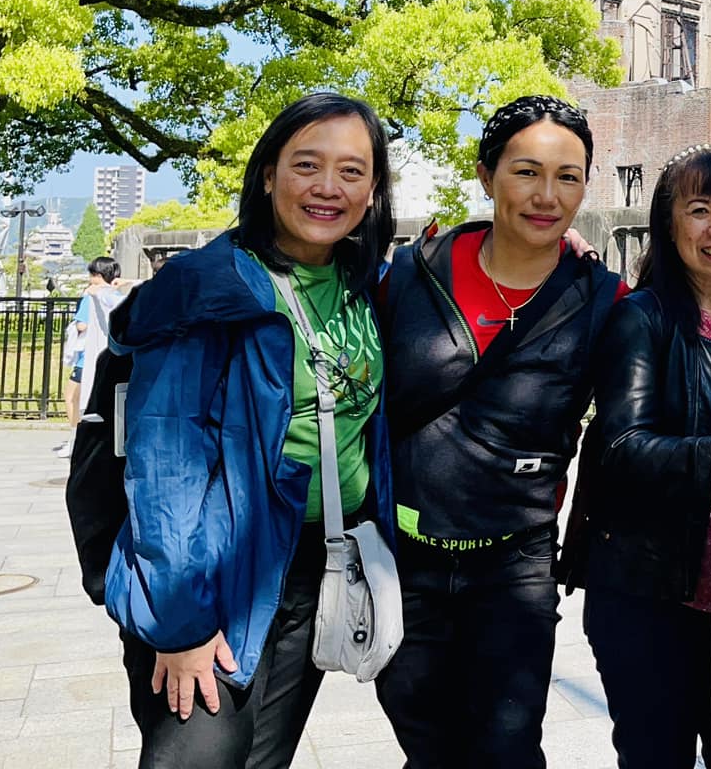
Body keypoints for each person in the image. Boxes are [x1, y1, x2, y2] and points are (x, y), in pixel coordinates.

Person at [105, 93, 397, 769]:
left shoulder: (361, 282)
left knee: (265, 758)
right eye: (307, 165)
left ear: (374, 188)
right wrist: (179, 623)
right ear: (268, 174)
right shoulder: (209, 285)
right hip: (213, 570)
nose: (329, 188)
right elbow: (165, 457)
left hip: (313, 564)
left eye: (353, 171)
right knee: (201, 757)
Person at [373, 96, 626, 768]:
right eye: (526, 172)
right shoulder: (408, 275)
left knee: (508, 747)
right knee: (426, 743)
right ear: (486, 177)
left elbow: (639, 419)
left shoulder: (604, 299)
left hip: (515, 562)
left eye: (568, 176)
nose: (547, 196)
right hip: (405, 559)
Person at [561, 147, 711, 769]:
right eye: (699, 210)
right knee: (656, 756)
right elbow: (620, 450)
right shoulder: (642, 319)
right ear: (670, 224)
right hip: (652, 596)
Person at [55, 257, 126, 458]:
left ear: (96, 275)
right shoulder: (118, 295)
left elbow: (81, 325)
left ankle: (75, 438)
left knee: (72, 398)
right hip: (110, 354)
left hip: (86, 356)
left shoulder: (91, 295)